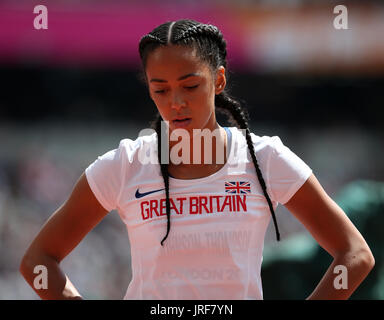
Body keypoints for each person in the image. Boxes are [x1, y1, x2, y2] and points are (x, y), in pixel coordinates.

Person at [19, 19, 374, 300]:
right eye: (160, 89)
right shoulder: (125, 164)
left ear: (218, 80)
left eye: (190, 86)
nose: (175, 102)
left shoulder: (265, 159)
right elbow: (38, 262)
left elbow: (355, 253)